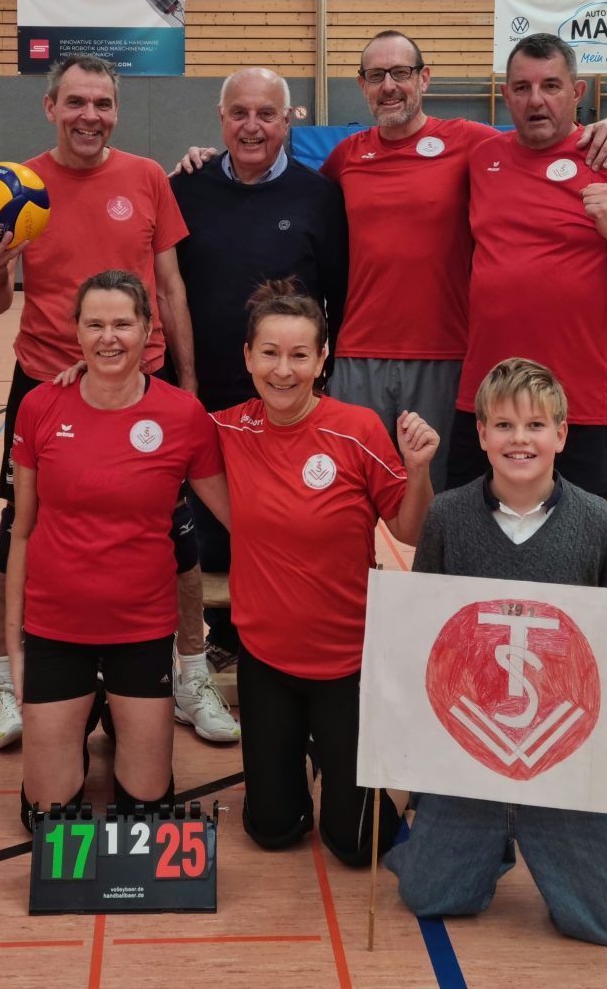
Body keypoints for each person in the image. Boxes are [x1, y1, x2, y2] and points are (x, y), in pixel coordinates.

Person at [0, 54, 230, 748]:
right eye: (76, 102)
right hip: (46, 384)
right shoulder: (14, 187)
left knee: (175, 530)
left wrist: (190, 381)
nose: (90, 116)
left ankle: (190, 670)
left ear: (116, 110)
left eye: (102, 104)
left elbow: (169, 287)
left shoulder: (145, 178)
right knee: (16, 531)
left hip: (142, 383)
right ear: (50, 107)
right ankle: (3, 679)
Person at [386, 357, 607, 946]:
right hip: (472, 749)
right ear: (480, 435)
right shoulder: (447, 516)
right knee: (427, 895)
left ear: (561, 434)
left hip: (565, 750)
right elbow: (423, 627)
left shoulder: (600, 523)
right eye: (502, 425)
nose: (519, 439)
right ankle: (489, 835)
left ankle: (571, 843)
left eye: (534, 427)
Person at [319, 30, 607, 491]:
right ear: (362, 84)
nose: (389, 85)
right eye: (376, 75)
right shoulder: (346, 155)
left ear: (424, 79)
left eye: (401, 73)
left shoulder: (472, 144)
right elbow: (289, 194)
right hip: (357, 355)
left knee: (444, 500)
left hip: (445, 356)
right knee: (348, 494)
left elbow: (541, 137)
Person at [210, 280, 437, 864]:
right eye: (269, 353)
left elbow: (408, 530)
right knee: (272, 830)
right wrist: (78, 377)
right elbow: (144, 413)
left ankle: (392, 769)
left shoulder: (356, 429)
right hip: (266, 661)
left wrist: (417, 471)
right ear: (248, 357)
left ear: (323, 357)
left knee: (357, 847)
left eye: (299, 355)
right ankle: (298, 765)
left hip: (350, 662)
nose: (283, 370)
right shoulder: (226, 428)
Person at [5, 271, 230, 822]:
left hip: (142, 630)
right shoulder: (39, 407)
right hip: (57, 629)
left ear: (149, 330)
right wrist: (13, 650)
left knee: (147, 809)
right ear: (76, 333)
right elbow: (22, 531)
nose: (109, 337)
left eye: (123, 324)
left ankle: (110, 711)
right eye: (95, 324)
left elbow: (241, 515)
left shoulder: (182, 416)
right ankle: (82, 712)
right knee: (46, 814)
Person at [169, 66, 348, 702]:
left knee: (281, 521)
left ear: (287, 121)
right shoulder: (183, 189)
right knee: (211, 529)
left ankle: (276, 633)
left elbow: (339, 294)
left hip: (285, 396)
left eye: (266, 114)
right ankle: (217, 631)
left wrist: (317, 378)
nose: (252, 126)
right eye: (239, 113)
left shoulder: (319, 197)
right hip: (204, 391)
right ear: (220, 120)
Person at [447, 34, 607, 521]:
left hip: (582, 406)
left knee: (586, 568)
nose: (536, 100)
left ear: (578, 91)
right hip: (487, 403)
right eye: (522, 87)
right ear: (505, 95)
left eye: (551, 85)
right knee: (468, 557)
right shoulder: (482, 158)